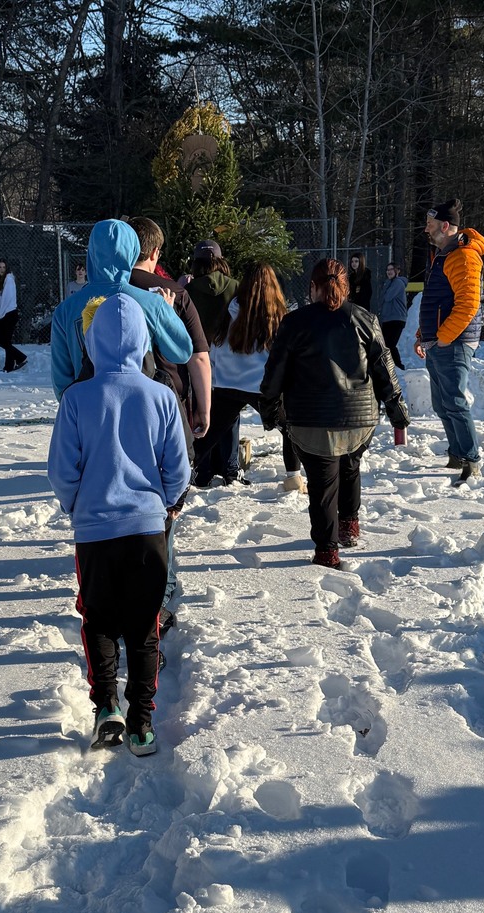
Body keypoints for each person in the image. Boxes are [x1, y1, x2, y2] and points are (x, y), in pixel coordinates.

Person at [48, 293, 190, 756]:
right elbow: (179, 468)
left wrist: (77, 505)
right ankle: (142, 722)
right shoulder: (161, 396)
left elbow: (62, 469)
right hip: (148, 531)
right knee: (143, 627)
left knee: (99, 621)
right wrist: (165, 504)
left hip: (95, 534)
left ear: (92, 342)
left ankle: (105, 705)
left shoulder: (76, 398)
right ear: (143, 341)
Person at [261, 258, 409, 569]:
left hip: (311, 419)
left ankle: (327, 549)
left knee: (322, 482)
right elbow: (384, 368)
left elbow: (275, 371)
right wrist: (397, 411)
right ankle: (350, 524)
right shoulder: (364, 318)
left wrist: (270, 409)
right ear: (347, 287)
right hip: (359, 418)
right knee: (350, 466)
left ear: (312, 287)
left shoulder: (294, 322)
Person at [128, 216, 211, 630]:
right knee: (165, 501)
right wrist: (204, 409)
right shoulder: (172, 295)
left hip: (111, 409)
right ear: (156, 252)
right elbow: (196, 355)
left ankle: (141, 590)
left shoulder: (103, 294)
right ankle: (159, 593)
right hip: (168, 407)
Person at [191, 262, 306, 493]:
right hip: (263, 387)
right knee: (290, 427)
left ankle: (185, 470)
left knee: (207, 433)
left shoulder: (231, 311)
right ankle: (293, 477)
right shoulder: (277, 317)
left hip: (227, 384)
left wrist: (214, 376)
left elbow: (217, 345)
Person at [50, 219, 193, 399]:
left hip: (89, 409)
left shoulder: (65, 310)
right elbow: (182, 351)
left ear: (92, 253)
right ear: (132, 252)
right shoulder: (152, 303)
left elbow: (61, 382)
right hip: (140, 407)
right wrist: (167, 312)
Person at [414, 198, 484, 480]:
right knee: (442, 402)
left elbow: (468, 304)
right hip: (440, 340)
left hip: (454, 341)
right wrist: (424, 335)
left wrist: (444, 337)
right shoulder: (445, 254)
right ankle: (457, 453)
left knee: (454, 401)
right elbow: (436, 301)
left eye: (430, 225)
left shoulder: (463, 255)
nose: (426, 230)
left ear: (445, 226)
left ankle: (471, 459)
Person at [185, 239, 243, 485]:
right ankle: (231, 468)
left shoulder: (188, 291)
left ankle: (203, 469)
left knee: (200, 410)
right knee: (229, 412)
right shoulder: (237, 287)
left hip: (198, 358)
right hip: (229, 359)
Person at [0, 259, 27, 372]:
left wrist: (0, 313)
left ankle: (20, 357)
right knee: (4, 341)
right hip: (3, 314)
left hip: (9, 313)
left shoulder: (9, 280)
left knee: (3, 341)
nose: (1, 269)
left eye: (3, 267)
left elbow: (7, 299)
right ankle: (9, 366)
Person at [378, 262, 408, 369]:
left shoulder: (398, 283)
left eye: (391, 269)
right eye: (387, 270)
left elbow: (388, 297)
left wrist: (386, 286)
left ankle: (398, 365)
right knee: (385, 344)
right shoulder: (388, 283)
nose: (389, 272)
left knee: (390, 344)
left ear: (397, 271)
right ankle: (390, 365)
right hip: (387, 319)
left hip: (396, 318)